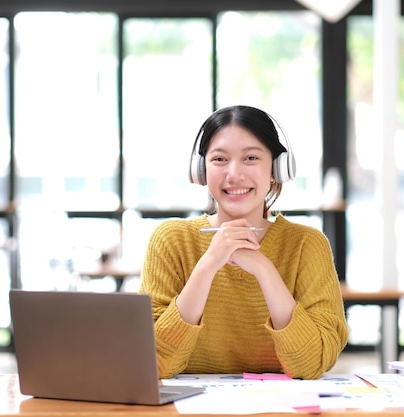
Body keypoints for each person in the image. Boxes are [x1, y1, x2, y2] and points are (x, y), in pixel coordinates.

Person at [138, 105, 348, 380]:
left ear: (276, 168)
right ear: (201, 170)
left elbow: (311, 364)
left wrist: (263, 269)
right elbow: (155, 362)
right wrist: (208, 265)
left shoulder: (307, 245)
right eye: (220, 159)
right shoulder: (170, 241)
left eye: (250, 158)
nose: (233, 174)